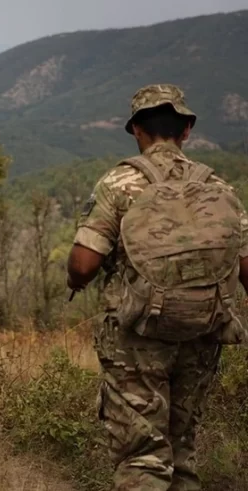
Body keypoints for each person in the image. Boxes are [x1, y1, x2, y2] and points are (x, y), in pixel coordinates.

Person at [67, 84, 248, 490]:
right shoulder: (219, 187)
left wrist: (74, 281)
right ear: (186, 130)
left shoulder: (120, 183)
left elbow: (83, 264)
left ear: (136, 130)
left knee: (143, 456)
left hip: (138, 338)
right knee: (182, 448)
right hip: (203, 335)